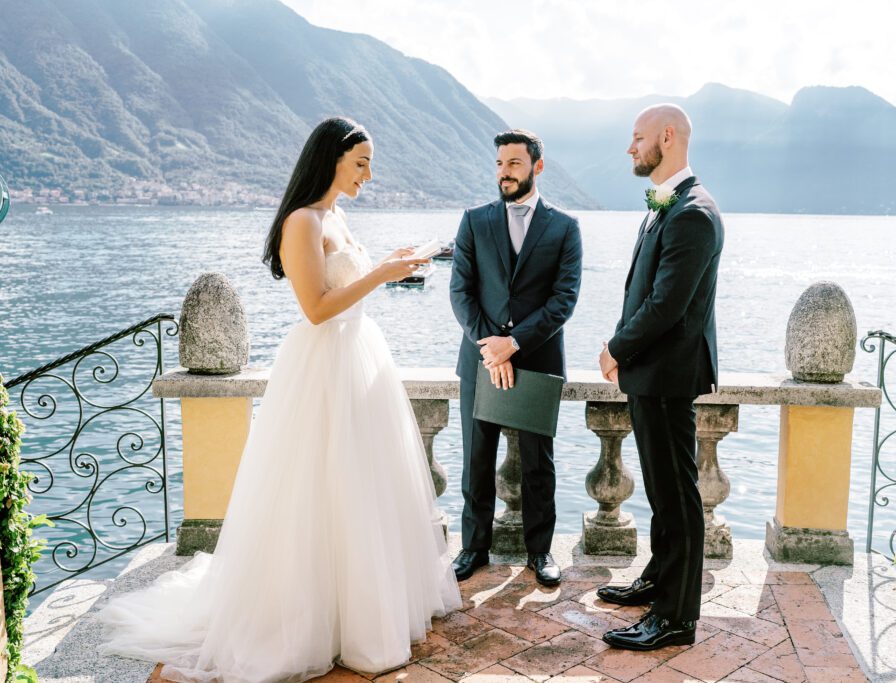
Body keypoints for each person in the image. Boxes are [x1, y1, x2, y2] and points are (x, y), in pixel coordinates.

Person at [97, 117, 461, 680]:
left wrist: (391, 260)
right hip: (323, 363)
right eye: (361, 162)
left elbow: (347, 287)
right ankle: (306, 620)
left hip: (361, 357)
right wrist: (385, 274)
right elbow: (316, 306)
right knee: (317, 488)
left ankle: (355, 613)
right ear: (332, 159)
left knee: (362, 487)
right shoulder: (302, 220)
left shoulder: (337, 215)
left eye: (370, 164)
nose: (369, 174)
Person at [597, 104, 724, 650]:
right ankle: (658, 581)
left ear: (666, 137)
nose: (630, 148)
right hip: (653, 374)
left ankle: (675, 619)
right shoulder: (668, 205)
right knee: (660, 492)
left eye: (637, 137)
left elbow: (666, 304)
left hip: (668, 376)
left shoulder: (693, 212)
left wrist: (614, 348)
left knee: (678, 496)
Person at [449, 129, 583, 586]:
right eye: (500, 164)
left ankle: (540, 552)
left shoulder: (565, 227)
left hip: (537, 357)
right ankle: (473, 548)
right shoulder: (473, 221)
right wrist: (492, 346)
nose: (504, 173)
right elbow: (460, 292)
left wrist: (516, 343)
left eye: (514, 164)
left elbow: (564, 300)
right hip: (481, 358)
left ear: (537, 167)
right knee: (476, 455)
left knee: (537, 462)